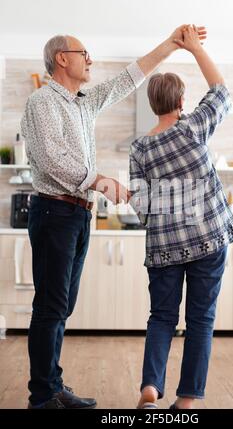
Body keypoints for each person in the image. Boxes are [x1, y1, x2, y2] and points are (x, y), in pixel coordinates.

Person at [21, 26, 206, 409]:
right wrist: (99, 181)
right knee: (51, 307)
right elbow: (52, 159)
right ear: (62, 58)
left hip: (75, 214)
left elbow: (129, 78)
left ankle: (53, 386)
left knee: (62, 307)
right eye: (84, 53)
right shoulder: (43, 102)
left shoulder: (84, 102)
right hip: (55, 209)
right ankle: (42, 397)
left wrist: (172, 44)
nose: (90, 59)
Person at [129, 25, 233, 409]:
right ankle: (187, 400)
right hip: (209, 239)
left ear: (152, 104)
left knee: (161, 317)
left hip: (163, 249)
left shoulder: (139, 148)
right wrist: (194, 49)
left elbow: (140, 205)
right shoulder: (194, 128)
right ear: (181, 101)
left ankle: (149, 389)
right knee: (200, 321)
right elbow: (222, 92)